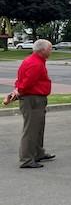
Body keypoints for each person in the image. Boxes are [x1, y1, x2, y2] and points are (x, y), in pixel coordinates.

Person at [8, 40, 56, 168]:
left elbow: (20, 80)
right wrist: (18, 91)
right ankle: (27, 159)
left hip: (34, 98)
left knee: (38, 128)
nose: (51, 51)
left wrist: (17, 90)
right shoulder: (35, 64)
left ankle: (38, 153)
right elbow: (27, 83)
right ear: (42, 50)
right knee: (31, 129)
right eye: (50, 49)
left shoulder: (31, 60)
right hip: (33, 99)